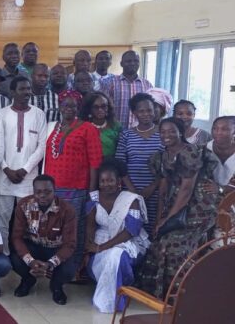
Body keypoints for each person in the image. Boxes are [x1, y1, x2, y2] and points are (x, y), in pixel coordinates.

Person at [140, 117, 219, 299]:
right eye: (163, 132)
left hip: (197, 207)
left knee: (174, 245)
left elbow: (186, 189)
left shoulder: (189, 151)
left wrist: (168, 220)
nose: (166, 135)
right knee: (159, 241)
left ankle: (183, 295)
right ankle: (161, 293)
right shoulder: (162, 155)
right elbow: (164, 188)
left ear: (181, 132)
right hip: (175, 205)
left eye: (171, 131)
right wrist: (160, 218)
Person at [44, 90, 103, 269]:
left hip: (76, 189)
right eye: (65, 105)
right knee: (54, 228)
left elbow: (95, 162)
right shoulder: (52, 127)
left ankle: (72, 267)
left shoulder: (88, 128)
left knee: (73, 229)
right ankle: (53, 265)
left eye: (73, 105)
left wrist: (91, 192)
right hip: (51, 190)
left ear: (78, 107)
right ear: (60, 107)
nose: (69, 108)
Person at [85, 160, 150, 313]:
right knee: (101, 261)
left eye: (110, 180)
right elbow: (90, 226)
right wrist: (89, 248)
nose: (106, 184)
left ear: (118, 181)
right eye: (103, 181)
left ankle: (113, 301)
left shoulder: (130, 199)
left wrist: (102, 248)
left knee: (116, 255)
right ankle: (116, 293)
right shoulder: (94, 198)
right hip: (101, 238)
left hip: (128, 241)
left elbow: (131, 231)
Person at [0, 77, 47, 255]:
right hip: (4, 176)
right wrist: (6, 168)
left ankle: (24, 255)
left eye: (28, 89)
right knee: (3, 218)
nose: (27, 92)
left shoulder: (39, 114)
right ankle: (5, 253)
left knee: (28, 218)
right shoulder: (0, 115)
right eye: (22, 89)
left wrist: (25, 169)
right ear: (12, 92)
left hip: (28, 177)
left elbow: (42, 146)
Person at [11, 175, 77, 305]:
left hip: (55, 249)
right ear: (33, 191)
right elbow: (16, 237)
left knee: (69, 269)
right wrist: (30, 261)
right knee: (15, 259)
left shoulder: (67, 210)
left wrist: (50, 264)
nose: (43, 196)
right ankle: (28, 280)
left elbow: (70, 244)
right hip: (33, 247)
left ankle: (56, 286)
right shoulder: (23, 205)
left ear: (55, 190)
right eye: (38, 192)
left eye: (47, 192)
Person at [115, 93, 163, 233]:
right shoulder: (126, 135)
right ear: (134, 112)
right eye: (141, 111)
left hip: (156, 192)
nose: (146, 114)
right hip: (130, 191)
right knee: (131, 229)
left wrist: (153, 187)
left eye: (149, 110)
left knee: (153, 229)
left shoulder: (163, 133)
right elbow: (121, 164)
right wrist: (132, 190)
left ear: (154, 111)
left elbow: (167, 165)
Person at [100, 51, 153, 128]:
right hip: (115, 130)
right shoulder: (110, 83)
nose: (132, 63)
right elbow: (103, 107)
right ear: (121, 63)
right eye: (129, 61)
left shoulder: (147, 85)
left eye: (136, 61)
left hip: (139, 132)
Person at [204, 116, 235, 241]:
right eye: (215, 128)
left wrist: (221, 189)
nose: (218, 132)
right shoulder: (204, 149)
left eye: (224, 129)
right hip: (207, 201)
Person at [80, 91, 122, 158]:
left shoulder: (116, 126)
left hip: (111, 165)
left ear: (108, 108)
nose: (100, 110)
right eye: (96, 107)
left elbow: (121, 151)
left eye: (103, 106)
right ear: (89, 109)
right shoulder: (82, 127)